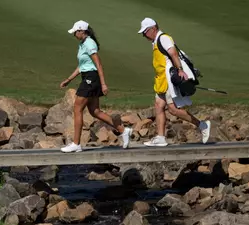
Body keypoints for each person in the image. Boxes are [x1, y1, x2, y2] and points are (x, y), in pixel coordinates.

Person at [60, 20, 132, 153]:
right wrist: (68, 79)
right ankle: (123, 130)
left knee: (77, 108)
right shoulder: (82, 44)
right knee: (95, 111)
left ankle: (76, 144)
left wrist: (103, 84)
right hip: (87, 77)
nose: (74, 34)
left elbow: (98, 64)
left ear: (82, 31)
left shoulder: (89, 43)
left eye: (75, 32)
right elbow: (82, 66)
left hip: (91, 78)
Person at [137, 17, 211, 146]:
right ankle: (160, 138)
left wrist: (180, 70)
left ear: (153, 29)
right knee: (158, 106)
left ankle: (202, 125)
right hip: (160, 80)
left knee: (173, 109)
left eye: (145, 32)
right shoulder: (155, 41)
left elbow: (174, 54)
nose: (144, 35)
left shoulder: (163, 38)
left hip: (167, 80)